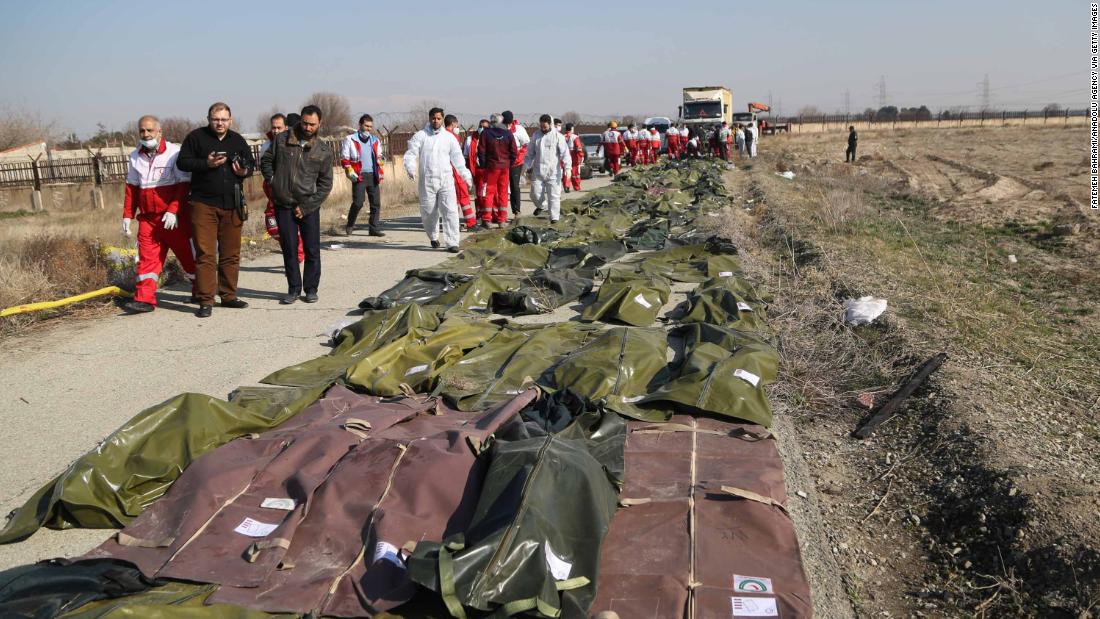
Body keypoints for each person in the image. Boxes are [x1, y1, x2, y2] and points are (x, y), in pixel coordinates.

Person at [176, 102, 253, 318]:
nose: (219, 123)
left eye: (223, 119)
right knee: (206, 254)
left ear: (231, 119)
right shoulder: (196, 137)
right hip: (203, 204)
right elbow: (183, 162)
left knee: (231, 253)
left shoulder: (237, 140)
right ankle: (205, 300)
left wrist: (244, 170)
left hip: (232, 204)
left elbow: (251, 164)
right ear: (209, 119)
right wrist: (206, 164)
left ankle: (228, 296)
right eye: (215, 119)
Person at [120, 115, 197, 314]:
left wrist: (173, 210)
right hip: (148, 220)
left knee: (188, 257)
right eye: (142, 131)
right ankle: (144, 300)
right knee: (146, 260)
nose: (145, 134)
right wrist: (127, 215)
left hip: (174, 219)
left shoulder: (174, 153)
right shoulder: (135, 156)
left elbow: (183, 186)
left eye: (150, 130)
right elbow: (132, 188)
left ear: (159, 132)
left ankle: (201, 290)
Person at [260, 105, 333, 305]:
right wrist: (273, 181)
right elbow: (266, 161)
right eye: (305, 123)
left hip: (308, 206)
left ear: (320, 124)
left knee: (311, 249)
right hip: (283, 204)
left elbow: (325, 184)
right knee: (289, 249)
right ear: (300, 120)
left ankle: (311, 288)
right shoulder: (282, 140)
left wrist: (308, 206)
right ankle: (293, 288)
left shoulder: (323, 150)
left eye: (313, 124)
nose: (308, 127)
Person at [404, 107, 472, 252]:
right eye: (433, 118)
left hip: (446, 179)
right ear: (429, 119)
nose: (436, 121)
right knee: (428, 212)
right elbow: (411, 153)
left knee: (450, 210)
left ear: (442, 119)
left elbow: (458, 158)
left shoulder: (449, 138)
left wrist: (465, 175)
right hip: (427, 180)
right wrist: (410, 167)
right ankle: (433, 236)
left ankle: (452, 242)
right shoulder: (420, 136)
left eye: (439, 118)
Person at [259, 114, 303, 265]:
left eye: (279, 127)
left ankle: (296, 255)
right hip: (272, 190)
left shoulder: (293, 143)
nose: (276, 130)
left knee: (291, 225)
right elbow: (264, 166)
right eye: (273, 127)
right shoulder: (266, 146)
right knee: (273, 227)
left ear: (286, 127)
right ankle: (291, 250)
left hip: (291, 191)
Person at [340, 113, 385, 237]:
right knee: (358, 202)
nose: (368, 129)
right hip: (359, 176)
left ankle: (374, 228)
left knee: (375, 203)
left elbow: (380, 156)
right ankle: (350, 223)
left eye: (370, 127)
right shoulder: (350, 139)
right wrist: (349, 170)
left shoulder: (375, 140)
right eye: (366, 126)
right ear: (360, 125)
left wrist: (381, 161)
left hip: (373, 175)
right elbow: (344, 158)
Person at [525, 114, 571, 223]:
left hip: (553, 172)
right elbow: (530, 153)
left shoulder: (558, 136)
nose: (543, 129)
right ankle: (542, 206)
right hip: (538, 171)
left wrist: (567, 168)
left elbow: (565, 153)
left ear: (550, 124)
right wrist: (525, 166)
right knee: (534, 194)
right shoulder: (536, 136)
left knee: (554, 196)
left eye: (545, 127)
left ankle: (554, 218)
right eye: (541, 127)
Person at [476, 113, 517, 229]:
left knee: (489, 193)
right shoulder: (508, 133)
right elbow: (514, 151)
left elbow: (481, 151)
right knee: (503, 193)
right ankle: (502, 220)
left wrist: (484, 165)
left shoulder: (486, 133)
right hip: (504, 167)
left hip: (491, 167)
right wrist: (510, 163)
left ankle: (487, 219)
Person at [444, 114, 476, 230]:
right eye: (456, 124)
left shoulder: (441, 135)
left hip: (446, 172)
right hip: (455, 171)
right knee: (463, 197)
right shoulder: (452, 136)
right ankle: (471, 223)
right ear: (453, 124)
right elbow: (457, 157)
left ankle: (454, 223)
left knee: (452, 199)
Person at [502, 110, 529, 217]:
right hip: (503, 162)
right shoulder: (500, 129)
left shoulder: (519, 129)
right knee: (502, 187)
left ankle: (516, 210)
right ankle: (500, 213)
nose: (507, 125)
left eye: (509, 123)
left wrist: (518, 157)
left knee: (514, 186)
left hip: (516, 163)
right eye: (505, 123)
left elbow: (526, 145)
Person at [465, 119, 489, 225]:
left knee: (486, 194)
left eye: (485, 127)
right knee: (477, 195)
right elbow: (465, 155)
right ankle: (479, 214)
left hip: (488, 170)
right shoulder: (470, 139)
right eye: (481, 126)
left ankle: (488, 215)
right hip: (475, 169)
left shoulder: (491, 139)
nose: (482, 128)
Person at [562, 122, 584, 192]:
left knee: (566, 172)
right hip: (574, 157)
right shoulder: (575, 137)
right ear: (572, 129)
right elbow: (579, 148)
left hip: (564, 158)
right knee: (575, 173)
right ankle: (576, 187)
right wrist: (581, 156)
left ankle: (566, 185)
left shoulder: (562, 136)